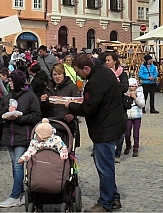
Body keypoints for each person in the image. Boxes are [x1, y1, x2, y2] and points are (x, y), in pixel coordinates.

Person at [65, 53, 126, 212]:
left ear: (86, 68)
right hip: (114, 124)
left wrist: (70, 105)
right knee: (108, 166)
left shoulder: (95, 82)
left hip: (105, 129)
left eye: (78, 72)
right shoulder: (104, 71)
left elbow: (88, 109)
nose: (78, 75)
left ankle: (104, 203)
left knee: (104, 168)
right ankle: (113, 198)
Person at [0, 70, 41, 208]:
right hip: (9, 134)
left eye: (11, 81)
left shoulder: (30, 96)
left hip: (23, 135)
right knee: (15, 165)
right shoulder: (7, 96)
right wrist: (6, 113)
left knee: (18, 164)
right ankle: (21, 193)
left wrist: (20, 118)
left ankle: (15, 196)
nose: (9, 83)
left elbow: (36, 115)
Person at [41, 63, 81, 146]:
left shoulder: (72, 87)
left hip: (67, 124)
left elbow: (78, 105)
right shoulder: (48, 87)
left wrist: (72, 114)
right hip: (51, 123)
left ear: (63, 74)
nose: (57, 77)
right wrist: (43, 101)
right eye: (55, 74)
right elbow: (43, 109)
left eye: (59, 74)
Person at [104, 52, 128, 162]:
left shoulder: (122, 73)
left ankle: (117, 154)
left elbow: (125, 88)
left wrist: (114, 85)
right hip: (107, 105)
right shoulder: (104, 73)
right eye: (106, 60)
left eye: (109, 60)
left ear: (114, 61)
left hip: (120, 105)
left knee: (121, 131)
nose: (107, 62)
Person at [123, 77, 145, 157]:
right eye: (130, 86)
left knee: (136, 133)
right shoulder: (125, 93)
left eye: (133, 86)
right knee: (127, 132)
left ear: (136, 86)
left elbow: (142, 104)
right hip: (128, 116)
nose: (131, 88)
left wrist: (135, 98)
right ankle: (128, 145)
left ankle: (136, 147)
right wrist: (127, 98)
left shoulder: (140, 94)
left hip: (137, 116)